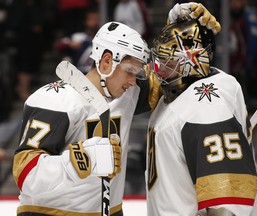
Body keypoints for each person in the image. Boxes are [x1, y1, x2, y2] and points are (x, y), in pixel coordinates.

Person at [12, 3, 221, 215]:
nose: (133, 81)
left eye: (137, 73)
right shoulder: (55, 99)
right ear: (106, 61)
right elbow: (26, 174)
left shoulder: (128, 93)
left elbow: (174, 73)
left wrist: (182, 28)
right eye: (130, 71)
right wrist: (81, 159)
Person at [145, 19, 257, 215]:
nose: (159, 70)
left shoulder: (206, 108)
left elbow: (225, 203)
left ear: (193, 62)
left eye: (169, 63)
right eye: (160, 61)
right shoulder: (179, 94)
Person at [55, 6, 101, 74]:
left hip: (99, 74)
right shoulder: (78, 37)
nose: (95, 22)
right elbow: (58, 45)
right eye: (92, 19)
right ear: (85, 21)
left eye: (97, 19)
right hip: (81, 74)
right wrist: (69, 44)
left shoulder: (105, 38)